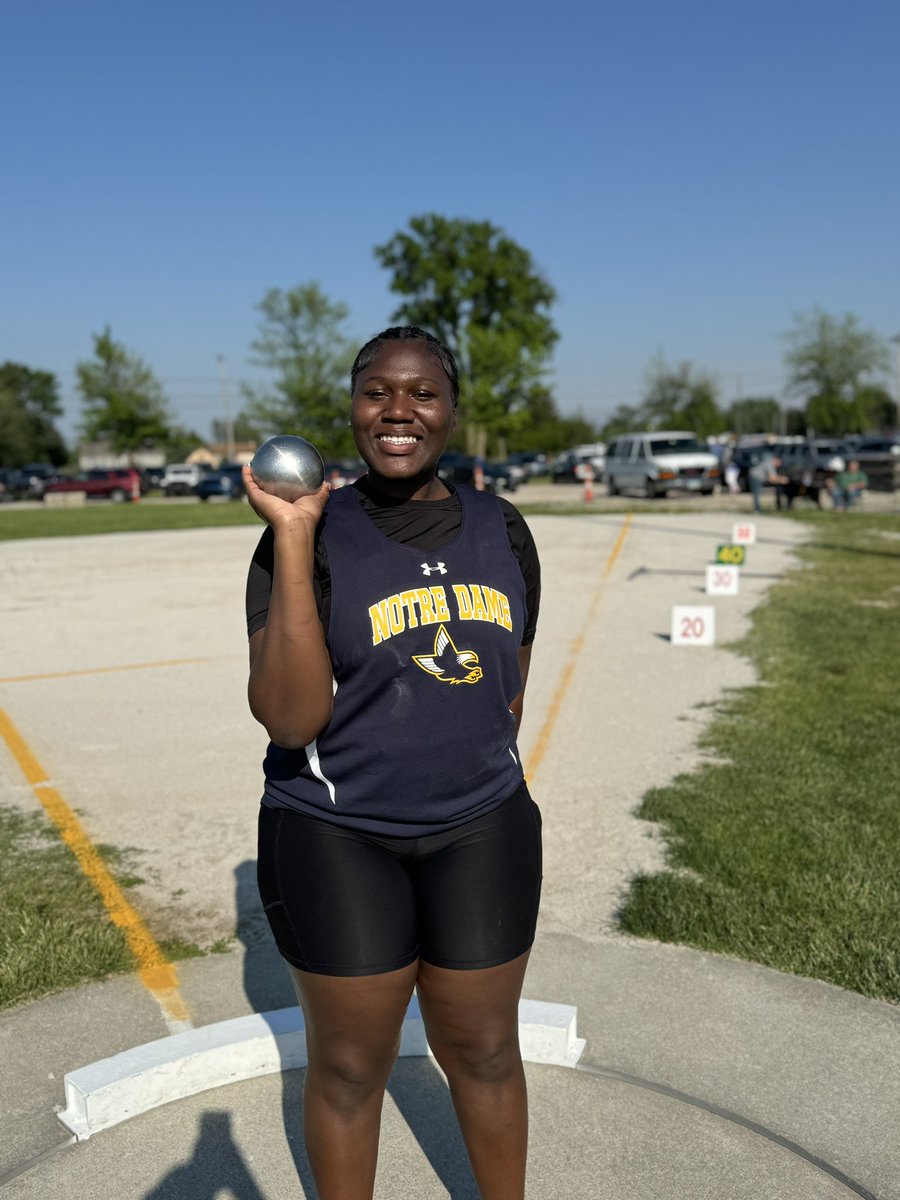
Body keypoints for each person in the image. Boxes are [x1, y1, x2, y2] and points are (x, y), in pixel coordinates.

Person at [242, 326, 542, 1200]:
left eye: (422, 393)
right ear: (353, 407)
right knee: (347, 1067)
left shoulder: (502, 525)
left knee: (485, 1050)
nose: (399, 410)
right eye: (377, 392)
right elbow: (292, 720)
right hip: (339, 833)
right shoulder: (312, 534)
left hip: (482, 824)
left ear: (450, 410)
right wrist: (295, 538)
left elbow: (507, 688)